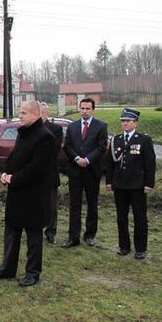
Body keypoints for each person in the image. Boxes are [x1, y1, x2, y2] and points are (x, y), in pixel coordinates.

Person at [0, 100, 56, 287]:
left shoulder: (45, 137)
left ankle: (33, 273)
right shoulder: (23, 134)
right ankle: (7, 268)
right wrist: (5, 172)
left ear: (35, 115)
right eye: (20, 112)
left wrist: (13, 179)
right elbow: (14, 157)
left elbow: (36, 168)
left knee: (33, 236)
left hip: (34, 195)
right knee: (11, 232)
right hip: (17, 193)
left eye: (23, 113)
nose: (20, 116)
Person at [106, 108, 156, 259]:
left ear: (135, 123)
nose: (124, 123)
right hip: (120, 185)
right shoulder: (117, 139)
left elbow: (150, 164)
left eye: (127, 121)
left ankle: (140, 248)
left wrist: (149, 184)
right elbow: (110, 164)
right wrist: (109, 181)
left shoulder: (144, 139)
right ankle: (124, 246)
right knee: (121, 217)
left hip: (137, 185)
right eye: (123, 121)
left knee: (139, 217)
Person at [62, 98, 108, 248]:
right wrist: (76, 158)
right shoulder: (72, 126)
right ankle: (73, 237)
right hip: (75, 171)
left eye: (87, 108)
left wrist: (87, 159)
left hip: (91, 171)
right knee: (74, 205)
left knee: (92, 204)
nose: (84, 111)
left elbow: (101, 147)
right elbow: (67, 145)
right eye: (82, 108)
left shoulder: (101, 126)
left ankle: (89, 235)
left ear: (92, 109)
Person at [40, 103, 63, 244]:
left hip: (49, 172)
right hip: (32, 174)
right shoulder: (28, 129)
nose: (40, 114)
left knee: (51, 205)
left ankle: (50, 231)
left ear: (46, 113)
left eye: (42, 112)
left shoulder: (56, 129)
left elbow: (53, 150)